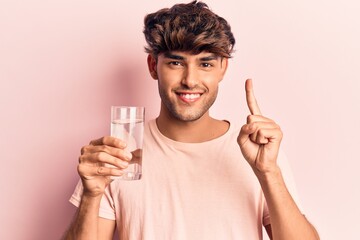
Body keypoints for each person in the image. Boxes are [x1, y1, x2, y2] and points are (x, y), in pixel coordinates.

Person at [63, 1, 319, 239]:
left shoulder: (258, 152)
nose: (190, 80)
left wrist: (268, 173)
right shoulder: (120, 154)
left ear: (223, 69)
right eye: (176, 62)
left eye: (205, 64)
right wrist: (90, 196)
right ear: (153, 66)